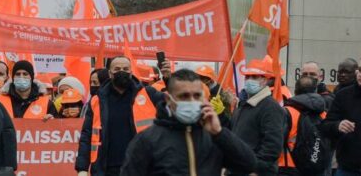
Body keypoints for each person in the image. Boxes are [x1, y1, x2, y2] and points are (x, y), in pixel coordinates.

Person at [119, 69, 257, 175]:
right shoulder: (147, 140)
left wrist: (219, 133)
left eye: (196, 96)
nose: (191, 101)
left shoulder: (213, 136)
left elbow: (248, 165)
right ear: (169, 99)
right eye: (184, 96)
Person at [77, 56, 165, 176]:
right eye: (117, 69)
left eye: (125, 69)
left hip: (141, 167)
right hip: (106, 168)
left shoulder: (148, 94)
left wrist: (168, 79)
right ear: (110, 73)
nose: (122, 72)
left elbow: (174, 105)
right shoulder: (97, 100)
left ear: (131, 72)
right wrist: (82, 167)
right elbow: (86, 135)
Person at [229, 59, 285, 176]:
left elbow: (272, 146)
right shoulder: (244, 105)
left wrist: (256, 169)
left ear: (265, 80)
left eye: (254, 77)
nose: (249, 80)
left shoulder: (270, 107)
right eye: (247, 77)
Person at [278, 75, 329, 175]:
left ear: (295, 91)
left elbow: (277, 140)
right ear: (315, 90)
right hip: (317, 166)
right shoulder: (323, 114)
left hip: (289, 166)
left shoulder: (287, 112)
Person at [320, 64, 361, 176]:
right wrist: (337, 125)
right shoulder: (343, 95)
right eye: (360, 70)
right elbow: (325, 126)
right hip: (348, 168)